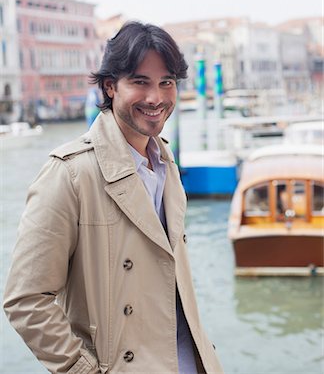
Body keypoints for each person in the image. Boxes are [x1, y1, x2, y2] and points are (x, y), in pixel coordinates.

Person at [3, 21, 223, 374]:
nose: (156, 98)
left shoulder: (168, 166)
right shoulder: (70, 174)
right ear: (110, 87)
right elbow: (26, 300)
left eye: (166, 82)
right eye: (140, 82)